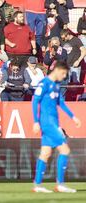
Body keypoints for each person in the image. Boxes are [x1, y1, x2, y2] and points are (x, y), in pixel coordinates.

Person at [32, 61, 81, 193]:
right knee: (64, 150)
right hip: (47, 123)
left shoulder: (56, 85)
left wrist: (73, 117)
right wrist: (36, 121)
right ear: (57, 70)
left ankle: (37, 186)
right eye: (63, 73)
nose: (64, 76)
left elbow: (61, 103)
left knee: (45, 153)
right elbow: (35, 101)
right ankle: (60, 184)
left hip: (54, 122)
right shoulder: (44, 83)